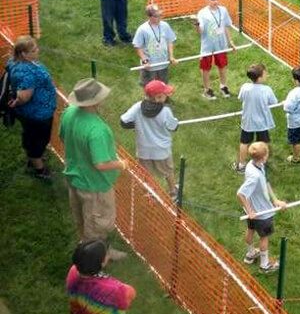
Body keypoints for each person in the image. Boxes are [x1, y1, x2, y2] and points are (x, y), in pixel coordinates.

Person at [59, 78, 128, 261]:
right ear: (95, 101)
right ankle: (94, 263)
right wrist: (121, 164)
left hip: (75, 178)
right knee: (97, 226)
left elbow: (62, 137)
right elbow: (101, 164)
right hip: (94, 185)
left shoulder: (69, 112)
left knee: (83, 219)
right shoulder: (97, 129)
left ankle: (96, 250)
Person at [6, 36, 56, 180]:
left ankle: (35, 156)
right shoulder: (26, 73)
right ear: (23, 54)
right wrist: (17, 102)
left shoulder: (16, 62)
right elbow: (23, 97)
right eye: (33, 50)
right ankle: (40, 170)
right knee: (36, 141)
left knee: (35, 138)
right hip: (37, 115)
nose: (37, 50)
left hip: (37, 113)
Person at [120, 79, 179, 199]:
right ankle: (173, 192)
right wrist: (176, 122)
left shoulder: (137, 107)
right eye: (164, 94)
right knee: (167, 171)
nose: (167, 95)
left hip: (143, 149)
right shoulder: (166, 111)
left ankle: (150, 193)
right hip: (161, 150)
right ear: (158, 98)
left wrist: (136, 124)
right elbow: (173, 127)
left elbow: (123, 121)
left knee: (147, 173)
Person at [236, 142, 286, 274]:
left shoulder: (254, 165)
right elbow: (240, 194)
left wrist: (275, 200)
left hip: (255, 210)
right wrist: (251, 211)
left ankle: (250, 254)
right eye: (267, 153)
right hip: (262, 213)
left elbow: (266, 181)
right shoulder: (255, 176)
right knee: (264, 237)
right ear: (264, 157)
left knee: (251, 229)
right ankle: (265, 265)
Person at [233, 63, 278, 173]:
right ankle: (262, 162)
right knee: (264, 142)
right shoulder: (267, 89)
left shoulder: (245, 87)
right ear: (260, 77)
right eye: (265, 73)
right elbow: (274, 102)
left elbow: (241, 98)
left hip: (248, 121)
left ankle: (242, 165)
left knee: (244, 142)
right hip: (262, 122)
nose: (266, 75)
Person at [195, 0, 236, 100]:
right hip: (207, 46)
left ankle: (223, 86)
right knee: (206, 68)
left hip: (221, 44)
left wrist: (230, 42)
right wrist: (197, 26)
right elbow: (200, 31)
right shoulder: (202, 13)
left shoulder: (223, 10)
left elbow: (226, 27)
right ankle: (207, 89)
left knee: (222, 65)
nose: (215, 2)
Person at [132, 4, 177, 86]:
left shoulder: (165, 25)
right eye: (156, 16)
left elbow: (170, 41)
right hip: (150, 67)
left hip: (163, 64)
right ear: (149, 17)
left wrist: (171, 56)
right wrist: (145, 61)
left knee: (163, 86)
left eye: (160, 15)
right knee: (148, 87)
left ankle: (163, 99)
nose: (159, 18)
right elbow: (138, 46)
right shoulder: (142, 29)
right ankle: (148, 99)